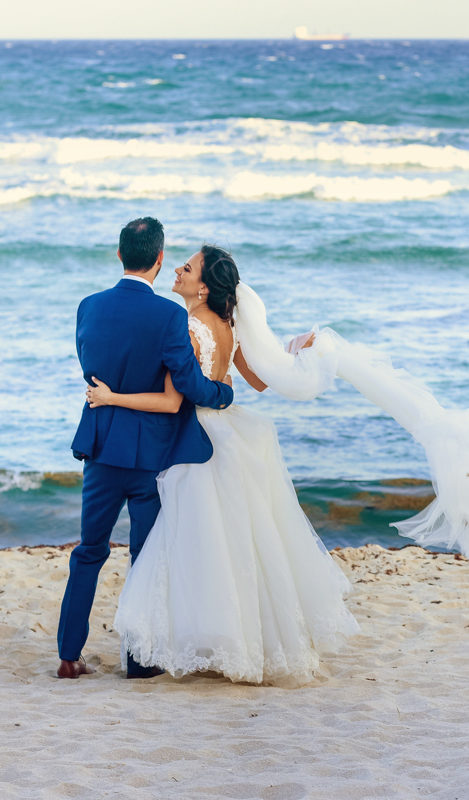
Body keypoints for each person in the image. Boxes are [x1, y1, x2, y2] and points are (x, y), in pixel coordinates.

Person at [86, 244, 360, 685]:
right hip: (228, 431)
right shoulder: (229, 326)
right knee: (236, 542)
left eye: (188, 267)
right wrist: (292, 350)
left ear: (203, 287)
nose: (177, 269)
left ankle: (191, 641)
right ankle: (241, 639)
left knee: (191, 542)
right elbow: (258, 380)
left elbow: (179, 397)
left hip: (194, 437)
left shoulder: (187, 326)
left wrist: (116, 395)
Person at [57, 218, 234, 680]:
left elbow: (92, 372)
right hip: (150, 456)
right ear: (158, 259)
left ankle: (69, 656)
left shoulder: (88, 307)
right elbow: (191, 385)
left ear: (119, 255)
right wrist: (225, 394)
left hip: (99, 448)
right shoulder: (169, 316)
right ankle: (138, 662)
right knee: (144, 558)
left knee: (89, 550)